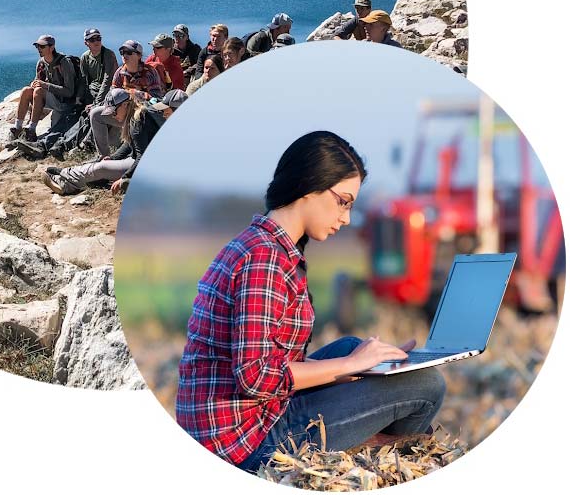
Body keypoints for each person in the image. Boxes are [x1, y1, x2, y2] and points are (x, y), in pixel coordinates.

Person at [175, 131, 445, 472]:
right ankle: (379, 462)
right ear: (310, 186)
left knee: (352, 346)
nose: (346, 217)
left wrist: (366, 362)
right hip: (243, 442)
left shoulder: (267, 246)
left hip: (251, 417)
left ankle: (370, 450)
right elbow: (255, 377)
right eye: (343, 201)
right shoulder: (265, 259)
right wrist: (348, 367)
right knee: (426, 384)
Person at [41, 89, 188, 195]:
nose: (112, 115)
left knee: (102, 168)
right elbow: (131, 144)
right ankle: (67, 175)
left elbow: (142, 156)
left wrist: (125, 177)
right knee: (104, 163)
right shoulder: (138, 116)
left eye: (113, 111)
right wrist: (114, 157)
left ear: (124, 105)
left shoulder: (137, 120)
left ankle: (65, 180)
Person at [90, 39, 164, 158]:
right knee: (95, 113)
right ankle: (103, 156)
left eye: (129, 52)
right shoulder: (120, 72)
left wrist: (133, 94)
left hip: (140, 117)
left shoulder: (150, 73)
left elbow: (156, 100)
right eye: (122, 52)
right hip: (120, 113)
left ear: (139, 55)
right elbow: (112, 95)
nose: (124, 55)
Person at [12, 34, 77, 140]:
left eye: (42, 47)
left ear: (51, 47)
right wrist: (33, 84)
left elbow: (69, 91)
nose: (39, 49)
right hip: (50, 99)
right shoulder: (41, 62)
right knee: (26, 90)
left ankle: (32, 130)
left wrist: (44, 85)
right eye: (37, 46)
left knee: (38, 91)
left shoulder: (64, 63)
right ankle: (17, 128)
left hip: (64, 102)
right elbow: (37, 81)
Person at [79, 27, 118, 110]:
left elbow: (107, 81)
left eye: (98, 39)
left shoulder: (108, 55)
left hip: (108, 93)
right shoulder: (85, 57)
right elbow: (83, 81)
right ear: (86, 43)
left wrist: (97, 103)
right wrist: (79, 98)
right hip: (91, 93)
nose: (96, 42)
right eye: (92, 40)